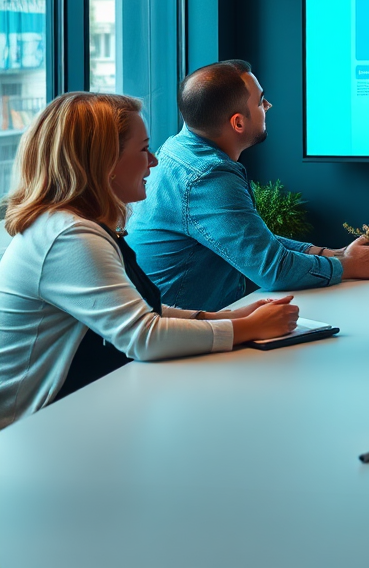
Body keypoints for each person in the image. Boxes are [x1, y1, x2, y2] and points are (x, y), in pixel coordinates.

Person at [0, 92, 300, 430]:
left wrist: (225, 317)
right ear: (105, 163)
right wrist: (250, 328)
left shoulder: (72, 225)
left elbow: (135, 309)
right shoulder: (68, 237)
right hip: (26, 435)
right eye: (143, 149)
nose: (154, 161)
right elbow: (144, 336)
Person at [131, 60, 369, 311]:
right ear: (238, 123)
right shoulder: (208, 177)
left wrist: (331, 254)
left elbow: (249, 239)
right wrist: (347, 266)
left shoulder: (178, 149)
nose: (268, 105)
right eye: (261, 101)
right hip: (184, 330)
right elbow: (274, 270)